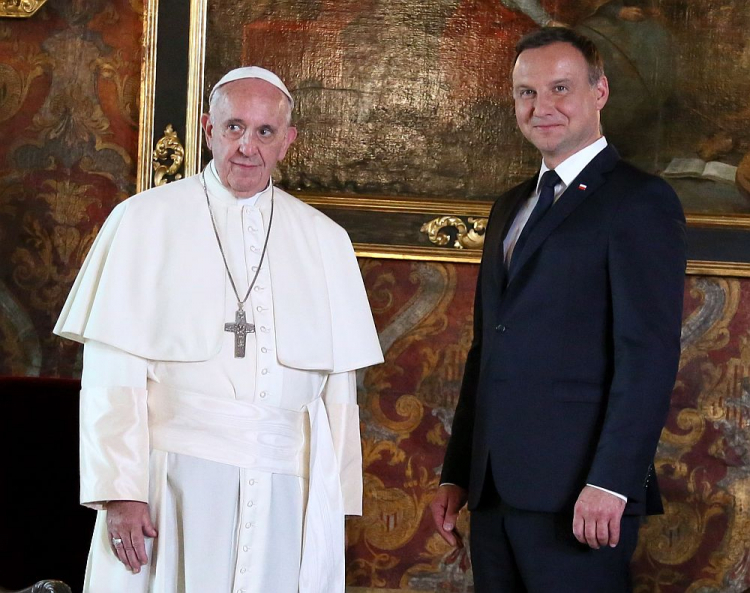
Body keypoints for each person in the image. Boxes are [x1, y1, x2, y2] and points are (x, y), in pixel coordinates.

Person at [54, 66, 383, 593]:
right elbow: (111, 373)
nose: (247, 146)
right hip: (172, 485)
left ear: (287, 142)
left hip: (284, 494)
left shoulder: (325, 241)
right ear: (208, 129)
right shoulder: (143, 220)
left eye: (264, 132)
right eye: (234, 127)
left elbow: (337, 396)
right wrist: (119, 489)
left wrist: (333, 499)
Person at [430, 27, 685, 592]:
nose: (541, 107)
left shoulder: (639, 201)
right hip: (494, 492)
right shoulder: (509, 207)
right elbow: (487, 350)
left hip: (582, 499)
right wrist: (457, 473)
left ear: (600, 92)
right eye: (526, 93)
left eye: (560, 88)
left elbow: (648, 355)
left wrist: (613, 483)